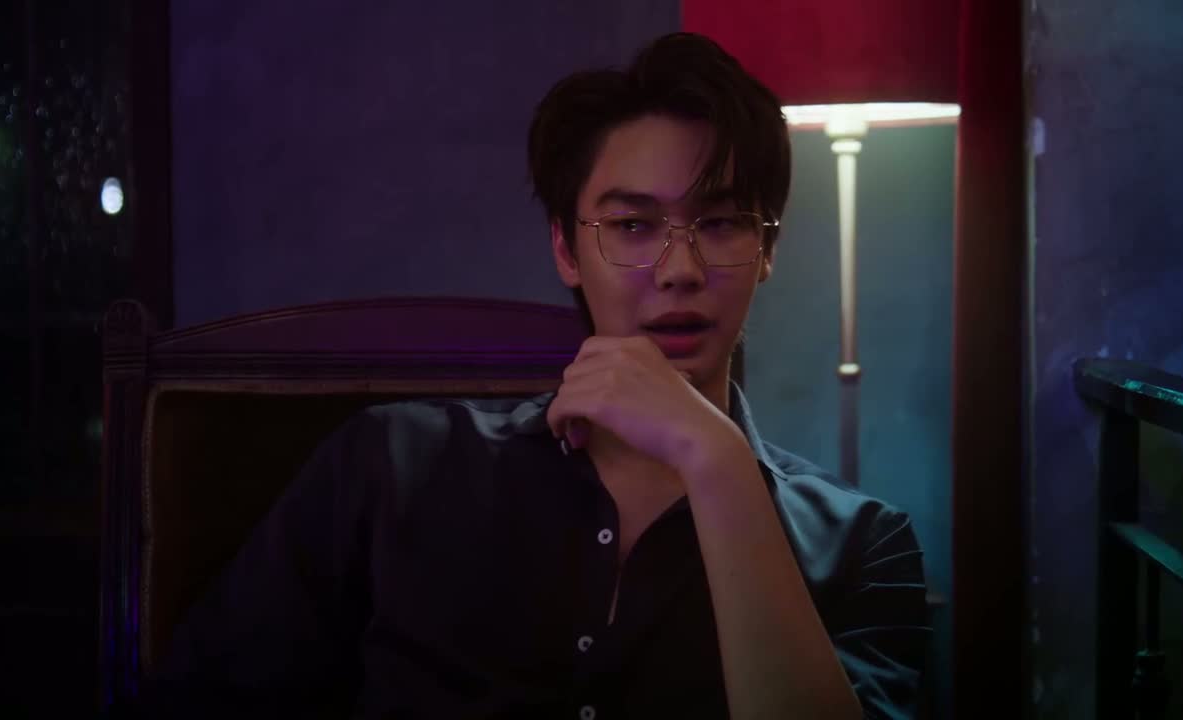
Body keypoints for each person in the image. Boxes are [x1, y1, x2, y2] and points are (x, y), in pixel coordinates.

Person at [118, 31, 930, 720]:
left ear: (768, 249)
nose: (679, 268)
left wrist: (715, 459)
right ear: (566, 250)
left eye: (719, 223)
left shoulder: (863, 545)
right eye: (632, 225)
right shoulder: (392, 468)